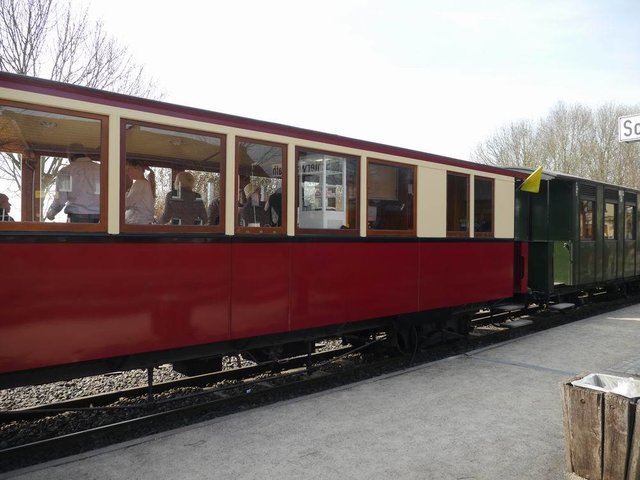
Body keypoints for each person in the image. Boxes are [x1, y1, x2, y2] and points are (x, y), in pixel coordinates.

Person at [45, 144, 100, 223]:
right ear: (85, 154)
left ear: (69, 156)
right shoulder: (100, 169)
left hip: (76, 217)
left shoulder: (66, 171)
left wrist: (51, 214)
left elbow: (60, 200)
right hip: (100, 218)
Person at [125, 159, 155, 224]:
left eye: (129, 169)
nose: (127, 172)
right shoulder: (144, 183)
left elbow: (126, 204)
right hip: (142, 223)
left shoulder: (140, 183)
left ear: (138, 168)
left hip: (138, 223)